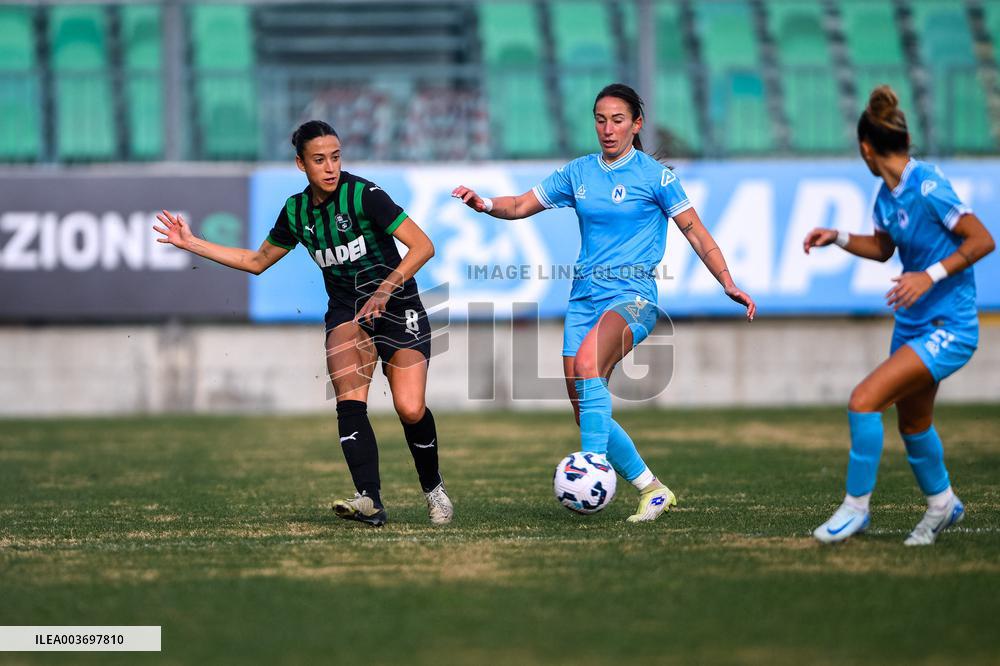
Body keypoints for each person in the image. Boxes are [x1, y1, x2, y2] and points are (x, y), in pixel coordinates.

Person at [453, 83, 756, 522]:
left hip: (634, 298)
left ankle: (591, 467)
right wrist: (484, 205)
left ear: (637, 124)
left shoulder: (657, 177)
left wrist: (726, 280)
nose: (608, 129)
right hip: (583, 299)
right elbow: (520, 204)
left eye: (617, 120)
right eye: (600, 119)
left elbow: (696, 232)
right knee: (583, 404)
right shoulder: (579, 173)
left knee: (589, 366)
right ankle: (652, 489)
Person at [153, 120, 453, 528]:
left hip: (398, 305)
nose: (330, 167)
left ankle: (433, 488)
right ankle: (370, 499)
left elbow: (423, 246)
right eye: (319, 160)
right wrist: (192, 243)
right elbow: (257, 263)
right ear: (301, 164)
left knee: (410, 407)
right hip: (348, 311)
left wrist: (384, 290)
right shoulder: (295, 212)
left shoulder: (364, 194)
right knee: (349, 401)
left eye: (335, 157)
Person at [804, 86, 995, 545]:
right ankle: (943, 504)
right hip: (913, 323)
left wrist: (928, 275)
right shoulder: (886, 196)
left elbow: (983, 240)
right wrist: (839, 237)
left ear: (866, 148)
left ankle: (855, 509)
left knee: (864, 399)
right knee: (913, 425)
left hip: (950, 326)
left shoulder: (929, 186)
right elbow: (884, 248)